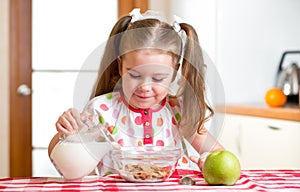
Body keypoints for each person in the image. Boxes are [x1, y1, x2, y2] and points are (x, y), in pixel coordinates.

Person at [48, 8, 224, 176]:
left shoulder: (179, 111)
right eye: (135, 75)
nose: (145, 87)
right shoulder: (101, 110)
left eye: (157, 78)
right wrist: (66, 134)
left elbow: (218, 154)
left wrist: (208, 160)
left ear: (173, 73)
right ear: (121, 66)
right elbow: (60, 159)